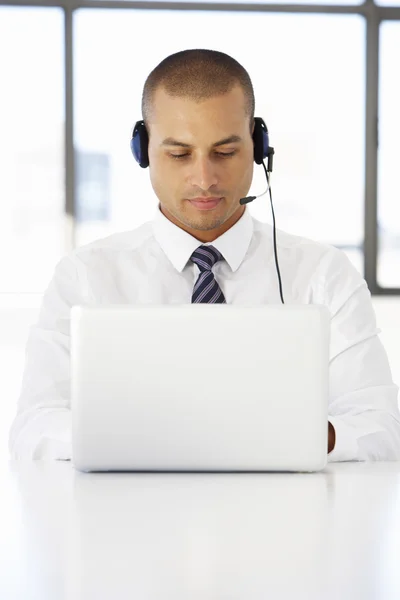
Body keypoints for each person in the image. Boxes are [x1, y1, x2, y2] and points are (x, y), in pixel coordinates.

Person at [8, 48, 400, 461]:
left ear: (258, 146)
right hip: (125, 518)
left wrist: (276, 433)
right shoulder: (84, 277)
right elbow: (33, 430)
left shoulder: (324, 274)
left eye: (225, 153)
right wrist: (164, 432)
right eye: (179, 154)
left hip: (286, 520)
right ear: (143, 151)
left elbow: (381, 429)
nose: (204, 179)